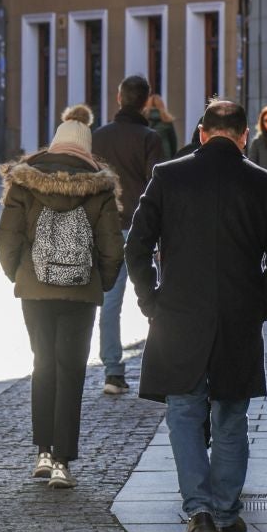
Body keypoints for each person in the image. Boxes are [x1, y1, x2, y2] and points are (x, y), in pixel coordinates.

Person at [129, 99, 267, 532]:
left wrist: (151, 302)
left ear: (203, 133)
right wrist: (258, 306)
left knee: (184, 412)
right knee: (230, 417)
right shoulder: (265, 184)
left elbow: (136, 246)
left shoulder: (168, 175)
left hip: (178, 316)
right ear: (243, 135)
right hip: (237, 318)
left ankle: (199, 512)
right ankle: (223, 512)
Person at [0, 106, 126, 491]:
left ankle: (41, 451)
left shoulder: (26, 181)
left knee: (43, 365)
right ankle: (62, 462)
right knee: (71, 370)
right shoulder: (99, 186)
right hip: (80, 291)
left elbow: (7, 237)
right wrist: (99, 282)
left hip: (34, 289)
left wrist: (19, 275)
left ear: (55, 141)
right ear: (86, 149)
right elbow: (112, 247)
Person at [93, 78, 166, 396]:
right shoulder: (150, 138)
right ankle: (162, 366)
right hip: (142, 229)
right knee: (156, 298)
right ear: (147, 101)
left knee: (110, 303)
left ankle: (112, 371)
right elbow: (156, 185)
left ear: (119, 97)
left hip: (107, 227)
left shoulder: (99, 137)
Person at [142, 94, 179, 159]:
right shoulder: (167, 120)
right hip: (165, 158)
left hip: (148, 158)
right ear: (162, 105)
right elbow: (173, 143)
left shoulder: (143, 120)